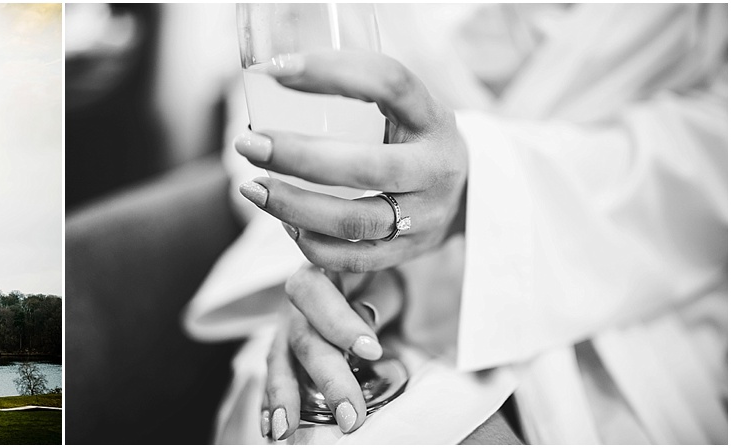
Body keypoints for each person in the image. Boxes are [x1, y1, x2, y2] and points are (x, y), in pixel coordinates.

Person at [185, 4, 726, 444]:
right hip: (383, 291)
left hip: (634, 287)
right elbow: (270, 83)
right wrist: (328, 265)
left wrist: (479, 191)